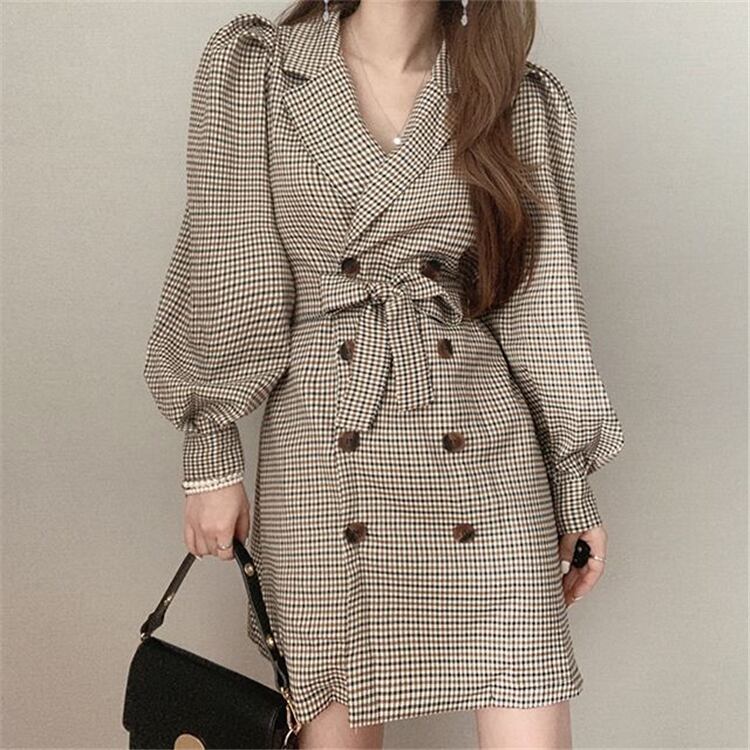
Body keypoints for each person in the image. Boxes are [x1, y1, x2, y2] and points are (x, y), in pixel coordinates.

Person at [142, 0, 625, 747]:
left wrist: (571, 480)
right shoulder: (259, 71)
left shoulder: (509, 95)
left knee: (527, 697)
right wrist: (210, 454)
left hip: (483, 449)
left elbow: (541, 306)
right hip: (324, 451)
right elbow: (230, 267)